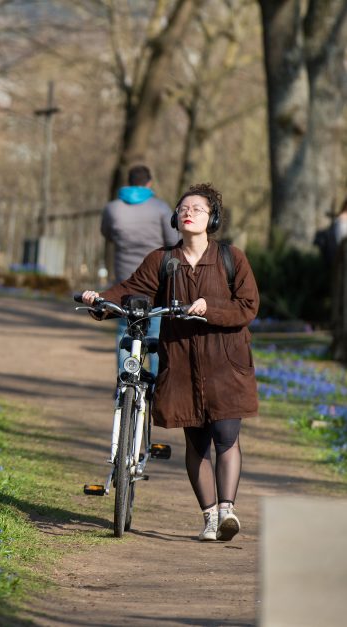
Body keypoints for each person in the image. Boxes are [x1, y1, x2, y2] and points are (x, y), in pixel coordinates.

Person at [80, 182, 259, 542]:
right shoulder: (162, 260)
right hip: (181, 365)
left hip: (226, 364)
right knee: (197, 442)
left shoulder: (231, 258)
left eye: (198, 209)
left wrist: (212, 308)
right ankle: (210, 518)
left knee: (226, 436)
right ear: (175, 218)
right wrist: (100, 300)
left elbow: (248, 306)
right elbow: (131, 290)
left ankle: (228, 511)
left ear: (213, 219)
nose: (189, 212)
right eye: (184, 208)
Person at [101, 165, 179, 376]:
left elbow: (107, 234)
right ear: (149, 183)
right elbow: (174, 241)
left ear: (128, 181)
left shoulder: (113, 208)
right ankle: (156, 388)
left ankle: (123, 384)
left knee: (124, 333)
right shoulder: (161, 208)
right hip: (155, 283)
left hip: (124, 282)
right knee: (155, 334)